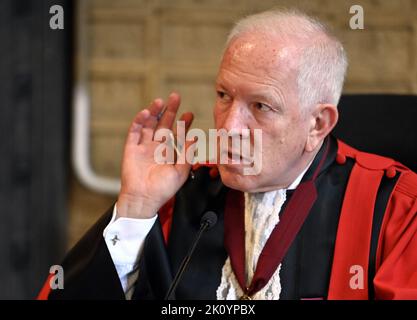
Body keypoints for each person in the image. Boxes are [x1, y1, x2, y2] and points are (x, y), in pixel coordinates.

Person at [39, 9, 417, 300]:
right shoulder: (179, 191)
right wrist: (136, 208)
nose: (229, 127)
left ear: (317, 124)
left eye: (261, 106)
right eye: (223, 96)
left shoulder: (394, 207)